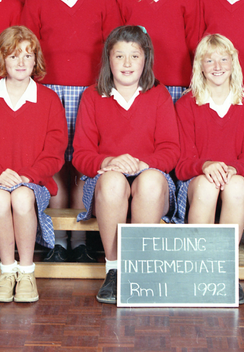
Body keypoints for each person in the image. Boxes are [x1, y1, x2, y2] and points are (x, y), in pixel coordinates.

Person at [21, 0, 122, 261]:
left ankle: (78, 239)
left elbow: (115, 48)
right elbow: (27, 50)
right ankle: (56, 241)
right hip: (48, 93)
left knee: (82, 166)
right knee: (52, 165)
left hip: (91, 93)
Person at [71, 26, 180, 304]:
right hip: (106, 182)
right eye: (120, 56)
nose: (127, 63)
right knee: (113, 181)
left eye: (135, 56)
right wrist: (108, 161)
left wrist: (143, 163)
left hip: (150, 178)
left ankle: (139, 268)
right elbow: (81, 154)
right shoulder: (92, 96)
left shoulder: (159, 95)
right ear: (109, 59)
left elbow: (170, 150)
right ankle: (114, 268)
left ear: (146, 60)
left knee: (152, 180)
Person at [0, 26, 68, 303]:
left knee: (22, 198)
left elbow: (55, 153)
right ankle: (7, 271)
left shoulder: (49, 100)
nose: (21, 62)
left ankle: (26, 272)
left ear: (36, 61)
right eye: (13, 55)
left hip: (34, 181)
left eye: (27, 55)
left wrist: (27, 175)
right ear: (1, 59)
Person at [174, 34, 244, 305]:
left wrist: (229, 170)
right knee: (206, 184)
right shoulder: (186, 104)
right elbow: (180, 163)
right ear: (200, 65)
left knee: (235, 187)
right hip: (196, 183)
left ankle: (225, 268)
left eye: (224, 59)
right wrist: (205, 166)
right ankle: (197, 267)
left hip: (234, 181)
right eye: (209, 59)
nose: (217, 65)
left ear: (233, 63)